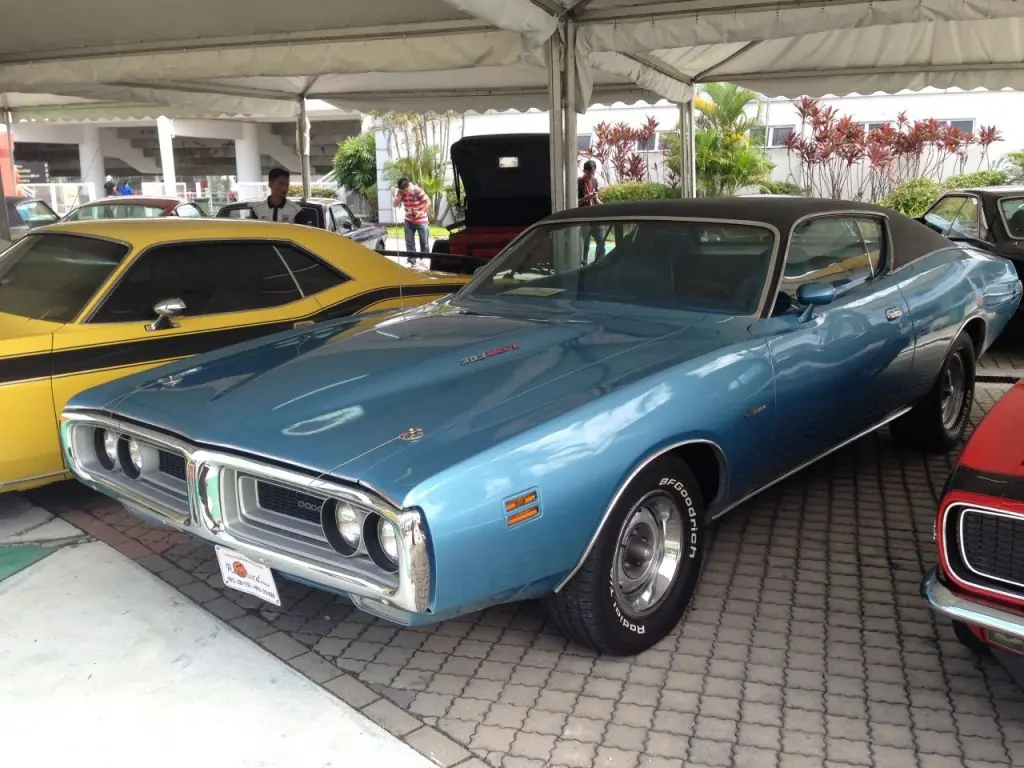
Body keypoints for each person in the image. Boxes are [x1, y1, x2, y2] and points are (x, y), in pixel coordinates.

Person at [393, 178, 431, 265]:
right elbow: (395, 205)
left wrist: (420, 212)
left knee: (424, 242)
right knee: (409, 242)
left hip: (421, 220)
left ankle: (424, 260)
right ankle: (411, 261)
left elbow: (428, 202)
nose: (405, 193)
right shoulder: (400, 193)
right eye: (402, 191)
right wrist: (397, 199)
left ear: (408, 186)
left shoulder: (417, 191)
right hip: (409, 221)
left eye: (406, 191)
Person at [577, 160, 605, 261]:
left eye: (593, 173)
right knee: (586, 243)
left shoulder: (594, 181)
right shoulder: (578, 182)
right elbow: (574, 202)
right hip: (584, 217)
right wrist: (585, 198)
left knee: (601, 240)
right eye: (589, 173)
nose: (591, 176)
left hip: (595, 216)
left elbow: (596, 199)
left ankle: (599, 262)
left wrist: (603, 206)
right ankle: (583, 264)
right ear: (584, 171)